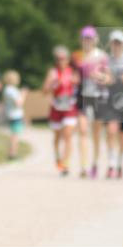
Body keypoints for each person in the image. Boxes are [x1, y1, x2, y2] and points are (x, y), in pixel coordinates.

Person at [71, 26, 108, 178]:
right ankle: (84, 166)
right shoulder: (76, 56)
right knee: (83, 130)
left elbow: (109, 78)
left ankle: (95, 163)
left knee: (96, 133)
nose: (87, 41)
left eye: (90, 38)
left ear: (95, 40)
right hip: (82, 96)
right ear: (81, 40)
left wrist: (99, 76)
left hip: (99, 95)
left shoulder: (102, 56)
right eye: (85, 38)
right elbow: (73, 76)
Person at [42, 46, 79, 176]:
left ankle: (65, 163)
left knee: (68, 135)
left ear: (68, 59)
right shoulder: (52, 72)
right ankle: (58, 157)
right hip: (56, 107)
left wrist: (75, 83)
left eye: (63, 58)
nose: (61, 61)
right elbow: (44, 91)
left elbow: (79, 87)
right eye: (58, 59)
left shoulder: (73, 72)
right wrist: (51, 84)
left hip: (69, 106)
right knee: (57, 136)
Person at [103, 30, 123, 178]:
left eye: (119, 43)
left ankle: (120, 163)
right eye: (114, 43)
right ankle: (111, 163)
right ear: (110, 44)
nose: (117, 46)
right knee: (110, 131)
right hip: (110, 100)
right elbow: (103, 78)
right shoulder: (105, 60)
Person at [2, 70, 26, 160]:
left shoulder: (8, 89)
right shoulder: (11, 90)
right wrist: (23, 95)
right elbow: (19, 103)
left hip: (12, 114)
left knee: (14, 134)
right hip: (15, 115)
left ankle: (13, 153)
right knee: (15, 135)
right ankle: (12, 154)